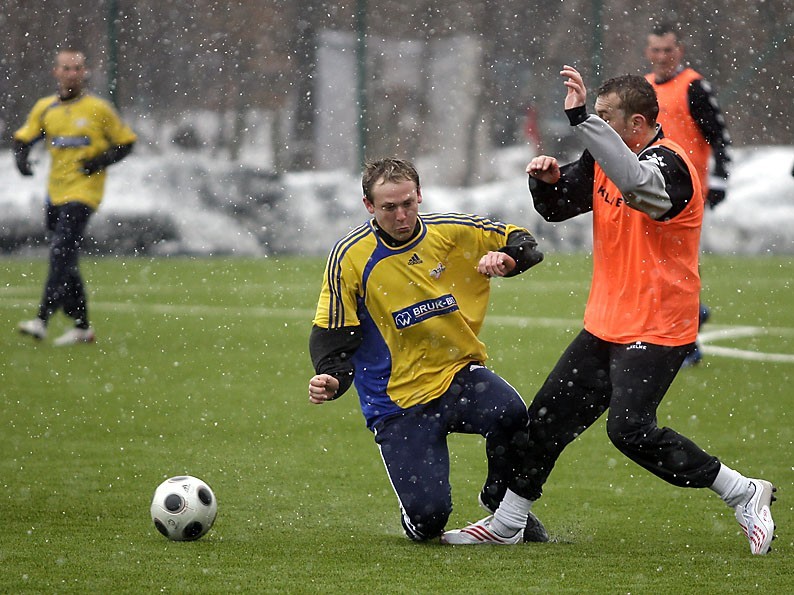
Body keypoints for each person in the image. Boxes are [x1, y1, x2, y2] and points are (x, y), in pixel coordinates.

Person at [442, 67, 777, 555]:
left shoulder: (671, 165)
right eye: (592, 117)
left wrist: (580, 119)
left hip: (660, 326)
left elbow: (638, 184)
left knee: (630, 430)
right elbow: (559, 207)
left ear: (636, 125)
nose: (592, 125)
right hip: (606, 322)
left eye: (603, 117)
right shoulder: (603, 156)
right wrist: (548, 182)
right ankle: (509, 521)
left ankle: (743, 491)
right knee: (546, 421)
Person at [308, 157, 547, 543]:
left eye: (408, 203)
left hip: (457, 376)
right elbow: (334, 332)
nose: (401, 215)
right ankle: (418, 516)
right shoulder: (350, 256)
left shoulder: (453, 230)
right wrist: (332, 376)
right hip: (397, 403)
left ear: (419, 195)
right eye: (389, 207)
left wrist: (509, 258)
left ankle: (500, 504)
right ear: (369, 206)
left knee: (512, 414)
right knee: (430, 522)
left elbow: (523, 241)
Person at [13, 47, 137, 346]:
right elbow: (24, 137)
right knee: (65, 258)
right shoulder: (46, 108)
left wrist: (99, 161)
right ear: (56, 72)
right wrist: (22, 159)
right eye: (66, 68)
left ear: (85, 72)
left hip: (84, 193)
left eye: (78, 68)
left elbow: (126, 143)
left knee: (60, 252)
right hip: (55, 192)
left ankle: (41, 319)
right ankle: (82, 327)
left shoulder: (99, 109)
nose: (72, 74)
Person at [645, 22, 732, 367]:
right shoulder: (645, 89)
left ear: (679, 51)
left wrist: (721, 179)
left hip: (689, 193)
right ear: (647, 52)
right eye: (656, 50)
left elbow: (719, 136)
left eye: (668, 50)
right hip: (653, 191)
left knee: (676, 270)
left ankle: (686, 341)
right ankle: (694, 315)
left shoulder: (693, 87)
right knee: (655, 267)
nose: (662, 57)